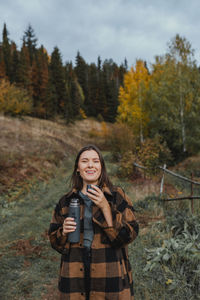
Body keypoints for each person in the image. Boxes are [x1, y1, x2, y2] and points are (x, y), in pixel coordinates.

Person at [48, 144, 139, 300]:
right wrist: (63, 232)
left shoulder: (116, 196)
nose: (90, 165)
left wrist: (105, 207)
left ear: (101, 167)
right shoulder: (66, 201)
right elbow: (55, 242)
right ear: (78, 168)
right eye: (84, 161)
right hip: (74, 274)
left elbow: (129, 235)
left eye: (95, 161)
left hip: (110, 273)